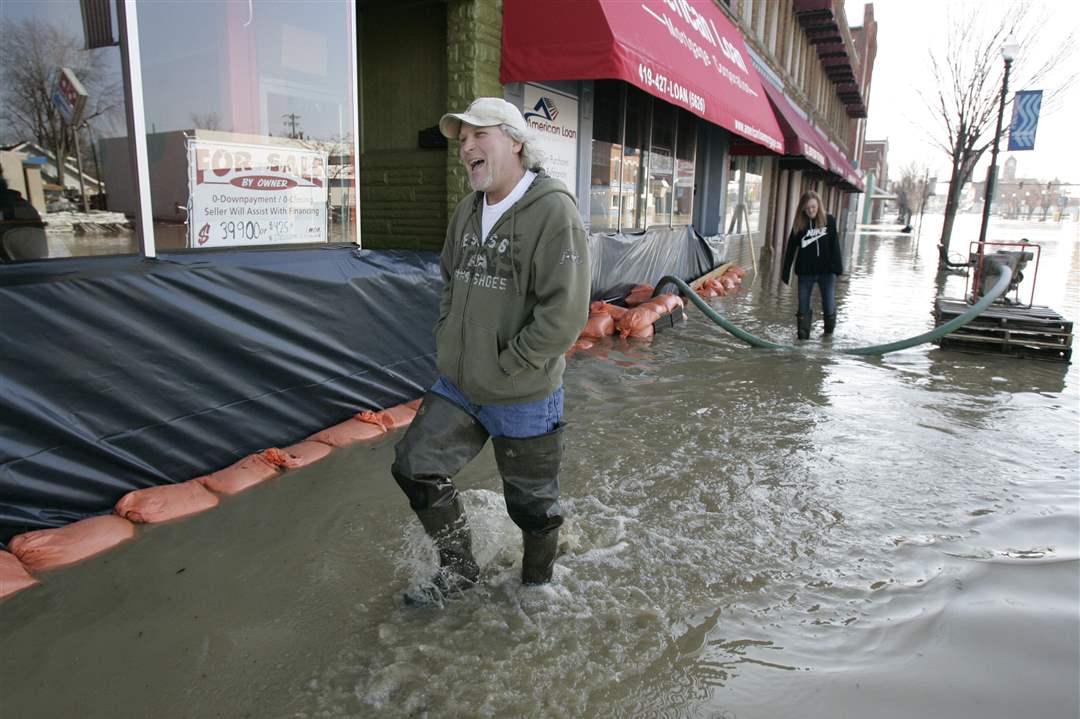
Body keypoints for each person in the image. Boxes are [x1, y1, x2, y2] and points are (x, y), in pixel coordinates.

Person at [391, 97, 590, 605]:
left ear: (517, 141)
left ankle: (538, 586)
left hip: (521, 391)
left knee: (532, 508)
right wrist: (448, 339)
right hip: (460, 383)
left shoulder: (552, 210)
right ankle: (459, 571)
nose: (467, 148)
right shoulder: (467, 210)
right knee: (414, 466)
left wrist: (510, 362)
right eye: (462, 141)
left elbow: (564, 313)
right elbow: (450, 281)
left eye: (479, 135)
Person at [781, 190, 843, 339]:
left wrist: (838, 269)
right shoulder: (799, 225)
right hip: (805, 273)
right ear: (803, 208)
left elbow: (835, 245)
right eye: (807, 208)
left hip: (826, 272)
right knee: (803, 307)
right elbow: (790, 249)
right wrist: (786, 272)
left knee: (829, 305)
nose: (811, 210)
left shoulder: (829, 221)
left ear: (819, 205)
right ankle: (802, 340)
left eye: (813, 207)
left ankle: (828, 338)